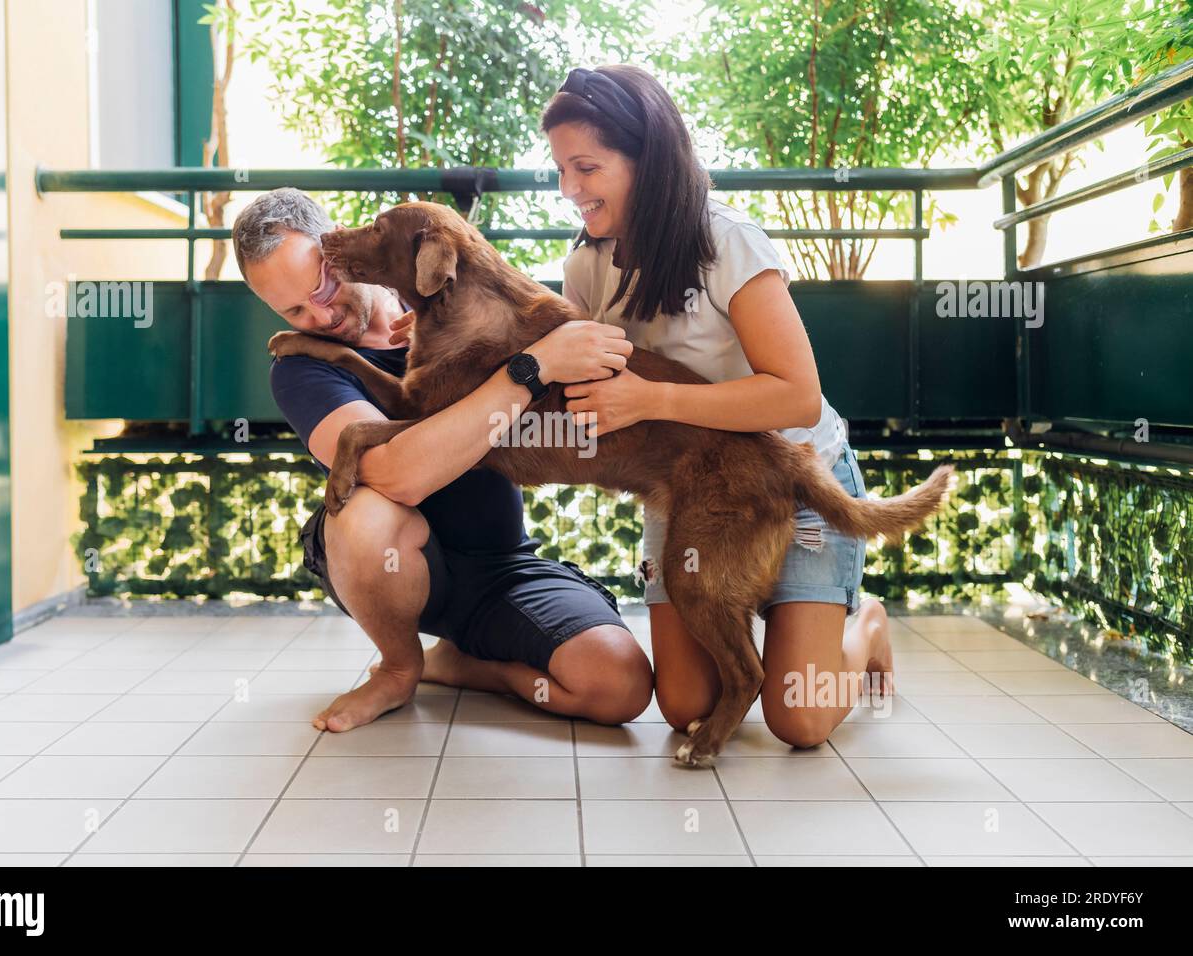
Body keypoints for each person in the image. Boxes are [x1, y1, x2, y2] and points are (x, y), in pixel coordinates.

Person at [545, 65, 894, 747]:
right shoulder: (586, 265)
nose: (569, 190)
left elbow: (796, 393)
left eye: (585, 167)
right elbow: (568, 370)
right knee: (684, 705)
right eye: (560, 170)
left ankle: (865, 628)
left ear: (646, 158)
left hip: (795, 480)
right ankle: (776, 611)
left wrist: (653, 398)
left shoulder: (726, 242)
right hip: (689, 493)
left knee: (800, 719)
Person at [231, 187, 652, 732]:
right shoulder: (301, 365)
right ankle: (399, 667)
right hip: (396, 568)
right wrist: (532, 368)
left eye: (323, 286)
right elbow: (395, 476)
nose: (321, 314)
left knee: (620, 685)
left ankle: (460, 665)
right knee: (365, 510)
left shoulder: (450, 289)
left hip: (501, 566)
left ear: (338, 245)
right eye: (292, 310)